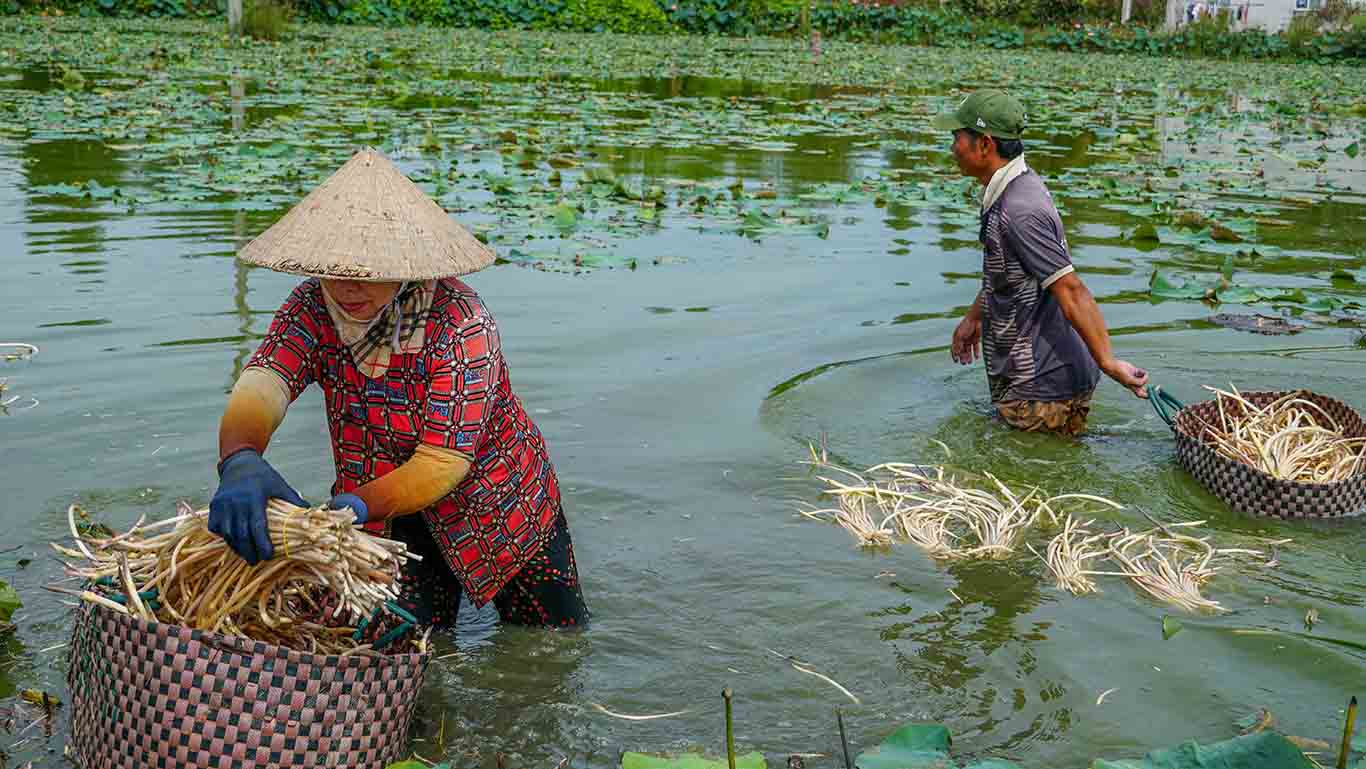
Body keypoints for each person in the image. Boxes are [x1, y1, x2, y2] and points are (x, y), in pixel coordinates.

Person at [208, 148, 588, 629]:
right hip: (389, 512)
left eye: (366, 273)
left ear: (405, 266)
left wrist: (357, 505)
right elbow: (265, 383)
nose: (347, 287)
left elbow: (442, 462)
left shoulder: (460, 324)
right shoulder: (310, 308)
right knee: (399, 646)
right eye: (334, 271)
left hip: (499, 506)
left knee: (550, 646)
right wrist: (240, 455)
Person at [934, 90, 1149, 437]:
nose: (952, 147)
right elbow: (1009, 272)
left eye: (957, 138)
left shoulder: (1020, 209)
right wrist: (975, 316)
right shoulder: (1010, 190)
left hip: (1041, 390)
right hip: (1039, 383)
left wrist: (1109, 363)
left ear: (985, 144)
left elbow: (1071, 289)